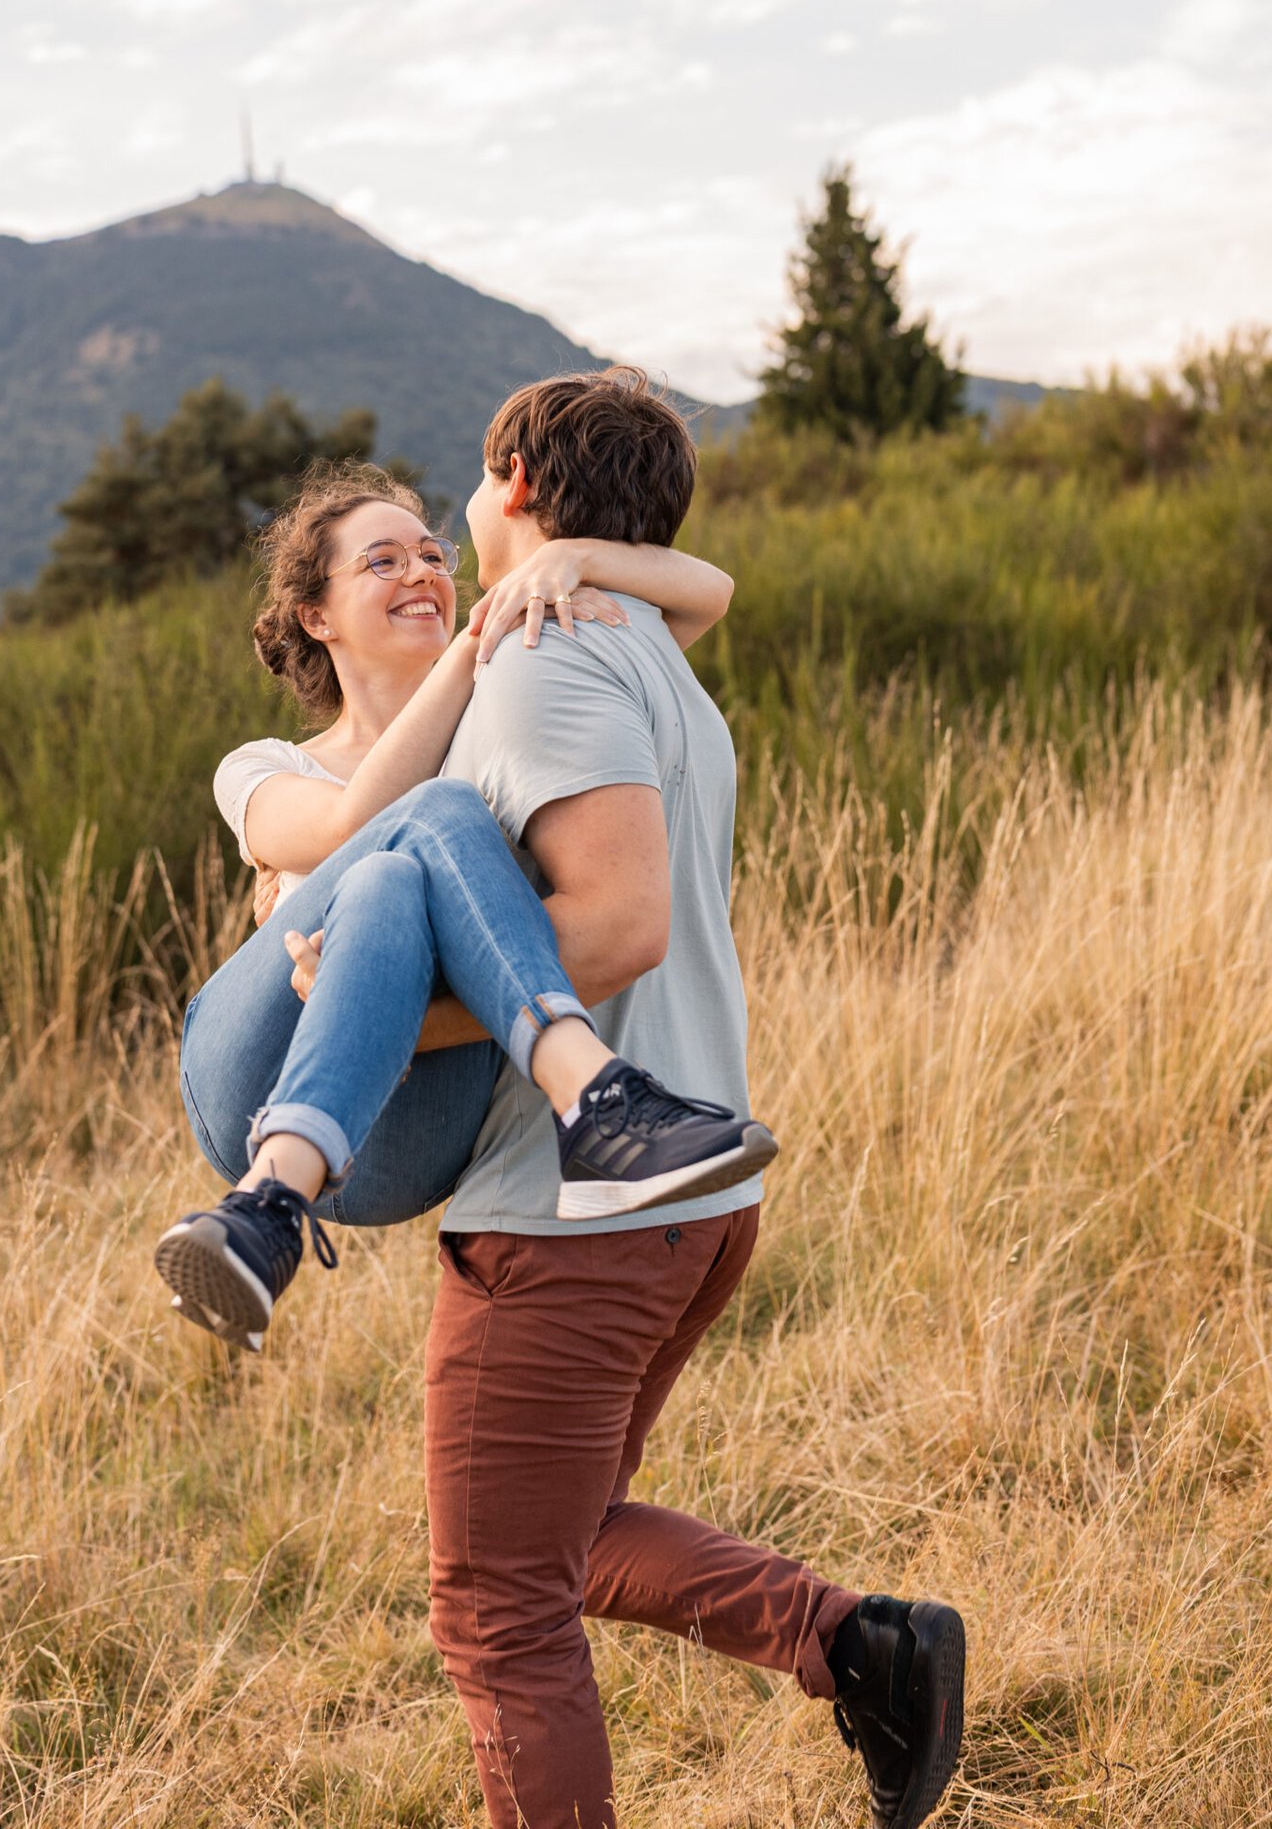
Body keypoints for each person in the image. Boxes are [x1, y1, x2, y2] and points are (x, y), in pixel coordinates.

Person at [402, 368, 964, 1829]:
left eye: (473, 486)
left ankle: (860, 1646)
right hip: (693, 1202)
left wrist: (398, 1031)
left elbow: (616, 926)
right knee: (564, 1544)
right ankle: (859, 1646)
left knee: (497, 1612)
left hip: (577, 1214)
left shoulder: (548, 658)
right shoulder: (647, 643)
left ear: (514, 478)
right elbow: (694, 591)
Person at [155, 463, 775, 1350]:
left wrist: (569, 558)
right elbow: (345, 825)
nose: (422, 572)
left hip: (407, 1132)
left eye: (432, 553)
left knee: (386, 884)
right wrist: (474, 643)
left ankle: (265, 1215)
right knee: (419, 831)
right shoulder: (262, 768)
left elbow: (708, 593)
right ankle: (588, 1098)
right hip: (258, 1072)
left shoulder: (503, 710)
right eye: (382, 561)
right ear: (315, 616)